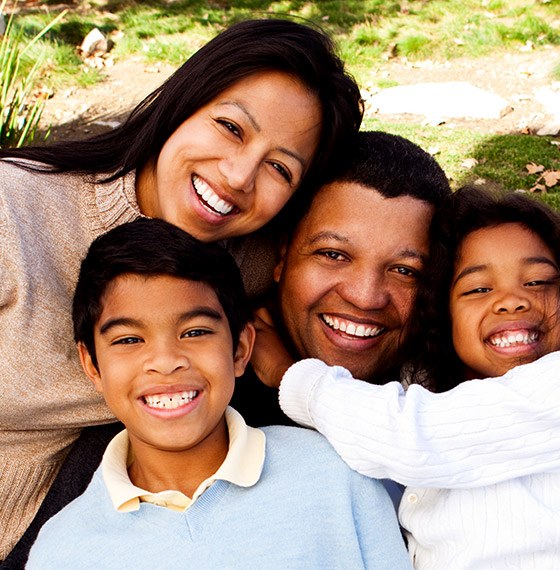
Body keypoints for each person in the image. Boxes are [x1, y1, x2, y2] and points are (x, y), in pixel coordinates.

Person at [0, 17, 363, 561]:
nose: (239, 176)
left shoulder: (263, 256)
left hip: (98, 511)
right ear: (181, 103)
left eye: (280, 169)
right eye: (231, 128)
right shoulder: (14, 213)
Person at [25, 218, 411, 569]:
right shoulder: (61, 550)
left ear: (241, 348)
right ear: (92, 364)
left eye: (195, 332)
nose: (165, 361)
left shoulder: (337, 474)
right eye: (129, 339)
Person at [275, 185, 560, 569]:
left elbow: (409, 436)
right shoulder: (441, 393)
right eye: (478, 288)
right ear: (444, 315)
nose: (511, 300)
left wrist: (287, 374)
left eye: (537, 282)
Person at [231, 130, 451, 425]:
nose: (365, 297)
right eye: (333, 255)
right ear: (283, 254)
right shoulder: (209, 391)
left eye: (404, 271)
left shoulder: (458, 394)